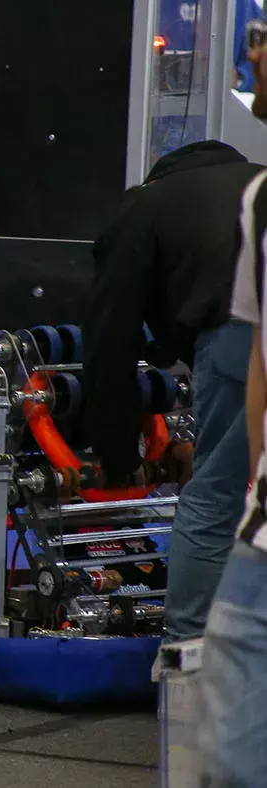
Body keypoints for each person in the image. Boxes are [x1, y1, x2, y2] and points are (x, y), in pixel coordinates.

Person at [84, 140, 265, 647]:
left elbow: (110, 338)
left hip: (243, 334)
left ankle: (188, 664)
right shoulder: (258, 181)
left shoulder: (146, 203)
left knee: (214, 498)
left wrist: (118, 455)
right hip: (243, 332)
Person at [198, 43, 267, 788]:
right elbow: (259, 362)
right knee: (229, 760)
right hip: (264, 541)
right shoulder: (260, 200)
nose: (251, 55)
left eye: (262, 39)